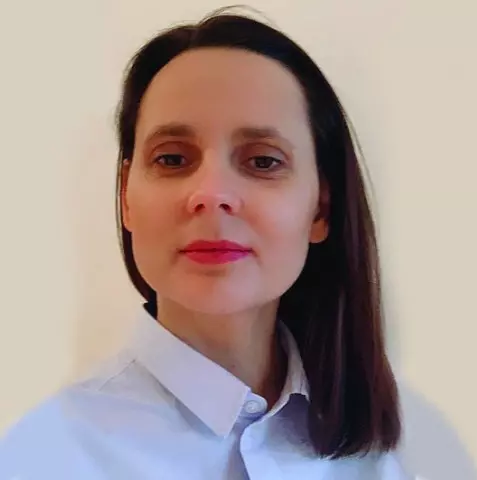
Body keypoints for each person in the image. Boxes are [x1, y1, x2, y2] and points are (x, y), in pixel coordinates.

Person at [0, 9, 414, 480]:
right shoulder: (37, 459)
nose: (212, 193)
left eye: (262, 161)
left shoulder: (370, 457)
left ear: (320, 209)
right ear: (126, 197)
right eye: (172, 159)